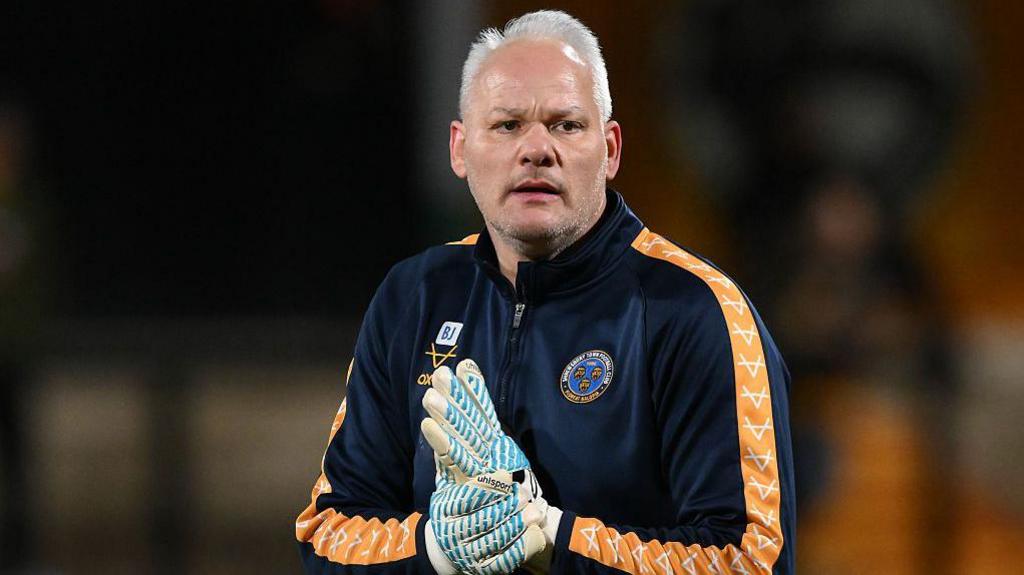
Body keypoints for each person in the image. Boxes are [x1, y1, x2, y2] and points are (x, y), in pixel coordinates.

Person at [295, 10, 794, 574]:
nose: (536, 149)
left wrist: (553, 537)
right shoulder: (415, 295)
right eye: (507, 125)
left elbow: (752, 560)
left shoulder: (698, 311)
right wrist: (437, 550)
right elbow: (329, 534)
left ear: (611, 150)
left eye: (566, 125)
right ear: (459, 148)